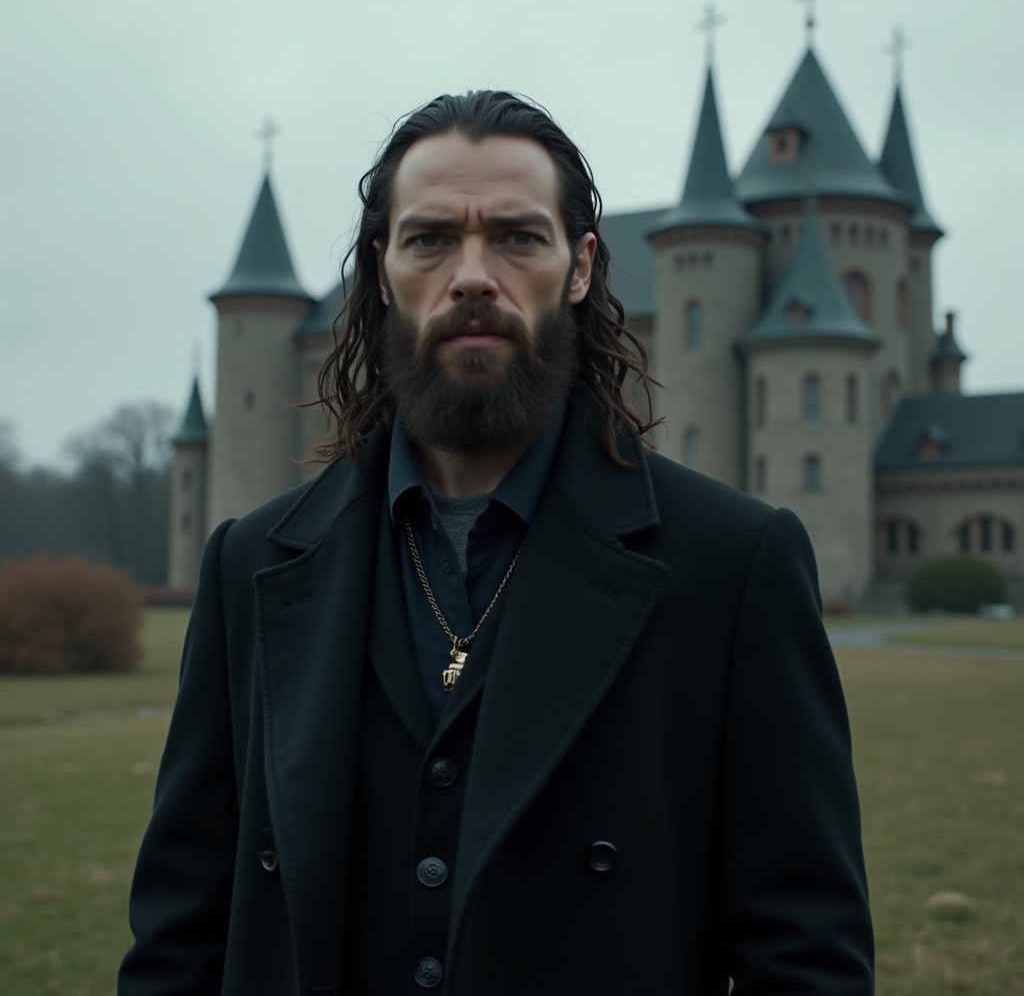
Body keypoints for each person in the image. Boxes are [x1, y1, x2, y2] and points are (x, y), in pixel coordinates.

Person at [119, 91, 873, 996]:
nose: (472, 276)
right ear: (380, 270)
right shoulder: (251, 566)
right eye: (431, 238)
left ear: (582, 266)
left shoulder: (732, 564)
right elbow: (177, 941)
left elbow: (808, 959)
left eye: (517, 238)